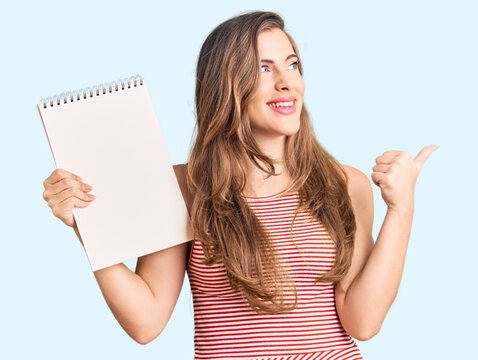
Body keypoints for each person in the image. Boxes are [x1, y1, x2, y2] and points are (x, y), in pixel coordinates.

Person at [40, 10, 437, 360]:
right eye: (264, 68)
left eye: (292, 64)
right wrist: (88, 228)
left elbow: (363, 322)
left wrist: (402, 210)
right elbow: (146, 322)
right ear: (226, 86)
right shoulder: (186, 188)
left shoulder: (344, 184)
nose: (287, 82)